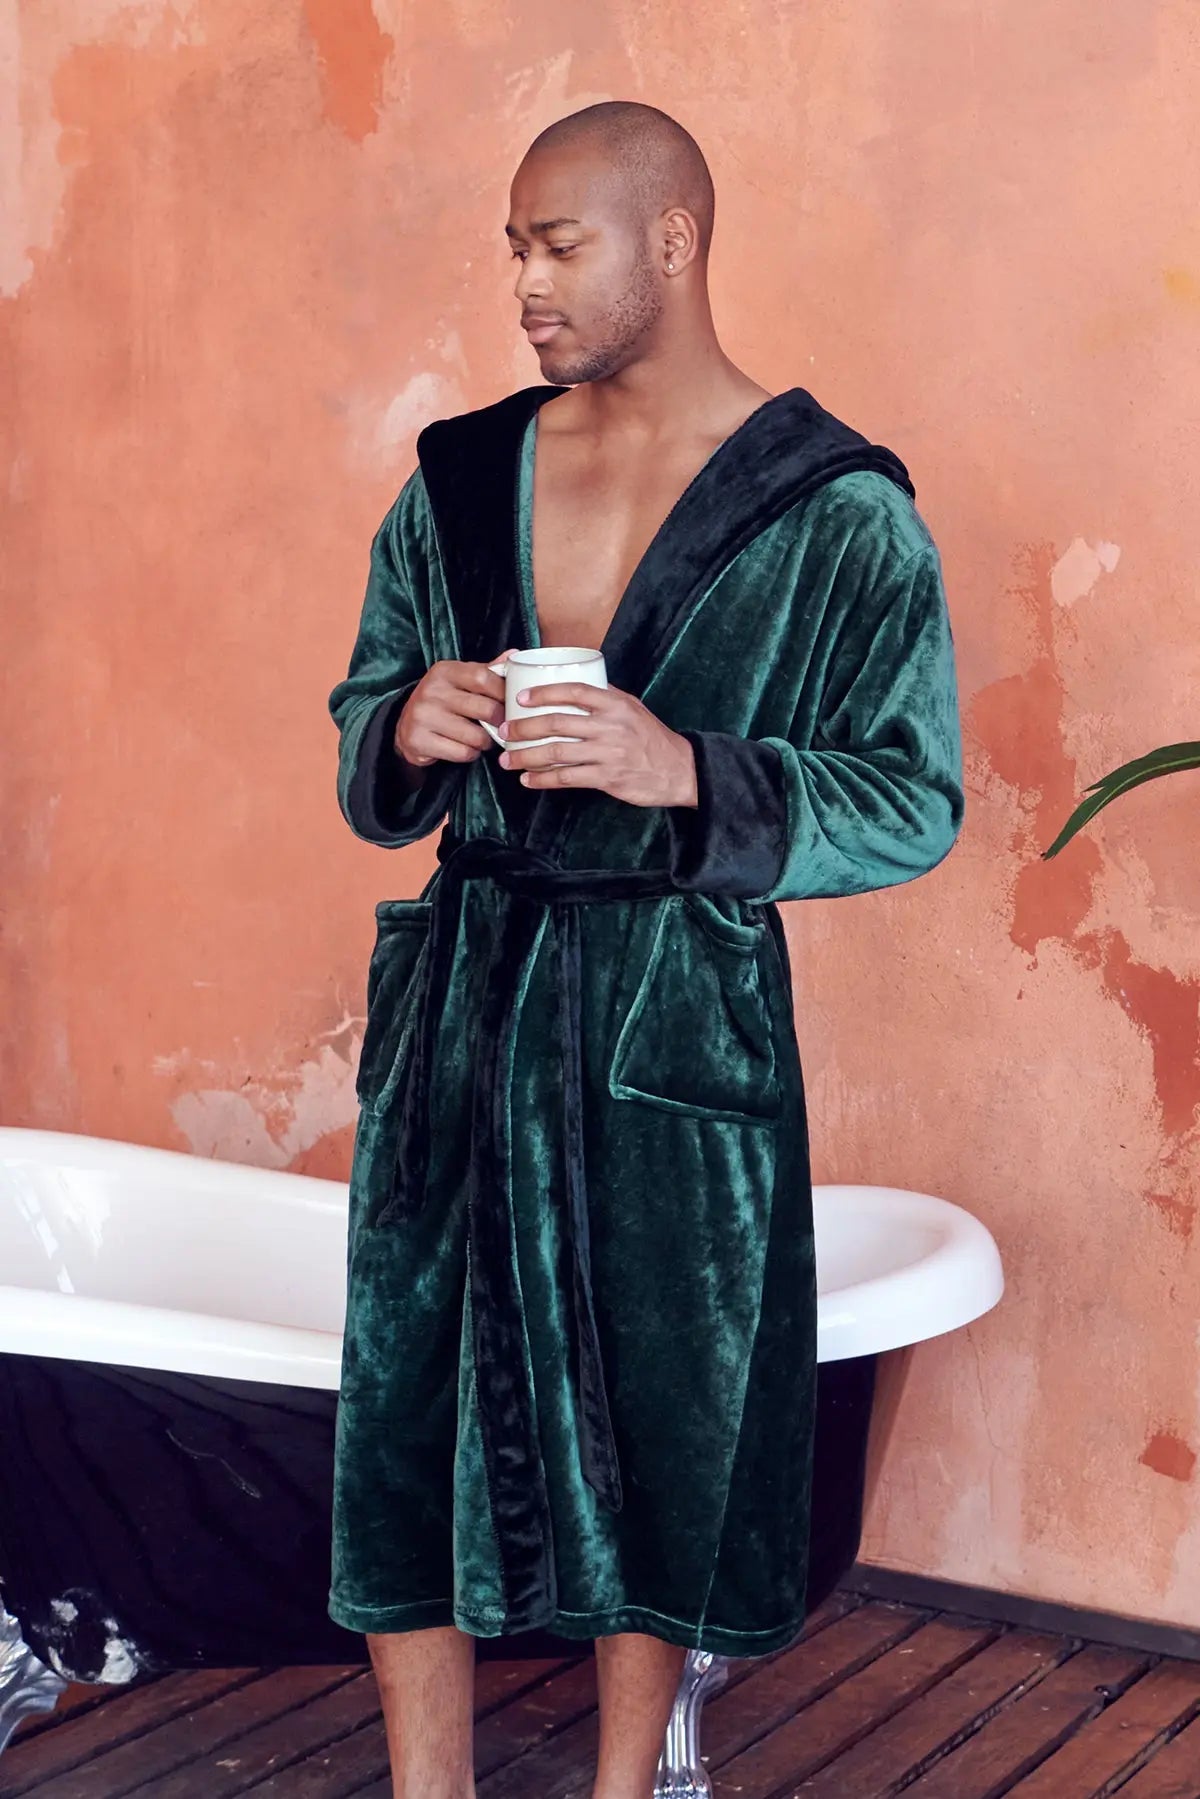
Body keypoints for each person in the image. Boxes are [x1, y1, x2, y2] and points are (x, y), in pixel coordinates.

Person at [326, 98, 965, 1799]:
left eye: (560, 246)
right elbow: (364, 714)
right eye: (513, 250)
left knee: (667, 1422)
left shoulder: (834, 509)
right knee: (410, 1409)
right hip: (463, 997)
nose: (525, 285)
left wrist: (685, 771)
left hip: (677, 1015)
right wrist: (408, 725)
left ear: (670, 242)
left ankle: (631, 1786)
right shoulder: (461, 479)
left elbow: (914, 801)